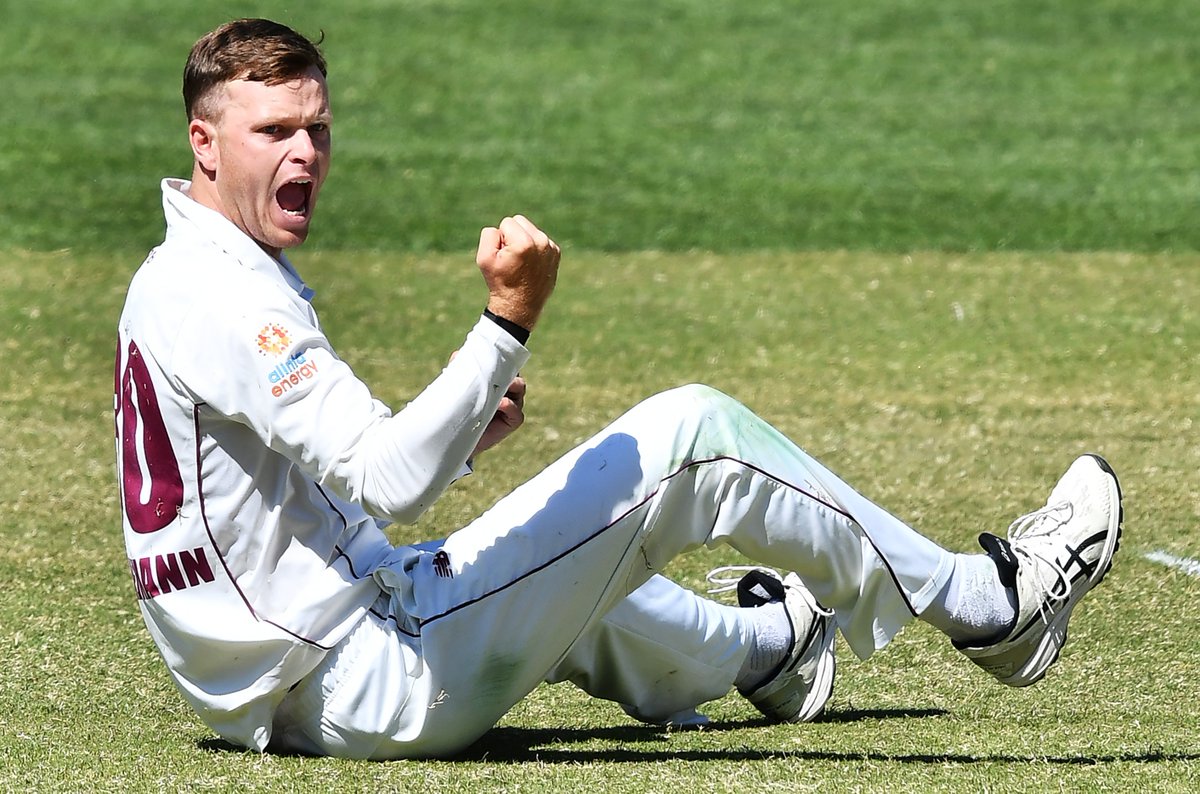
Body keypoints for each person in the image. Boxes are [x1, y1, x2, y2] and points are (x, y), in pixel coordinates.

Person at [114, 18, 1123, 761]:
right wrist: (507, 320)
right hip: (369, 670)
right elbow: (386, 480)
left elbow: (278, 486)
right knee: (693, 433)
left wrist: (463, 434)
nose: (306, 153)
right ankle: (1000, 607)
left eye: (318, 128)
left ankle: (775, 648)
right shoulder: (232, 300)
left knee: (576, 561)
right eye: (274, 131)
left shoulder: (177, 278)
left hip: (285, 681)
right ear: (204, 143)